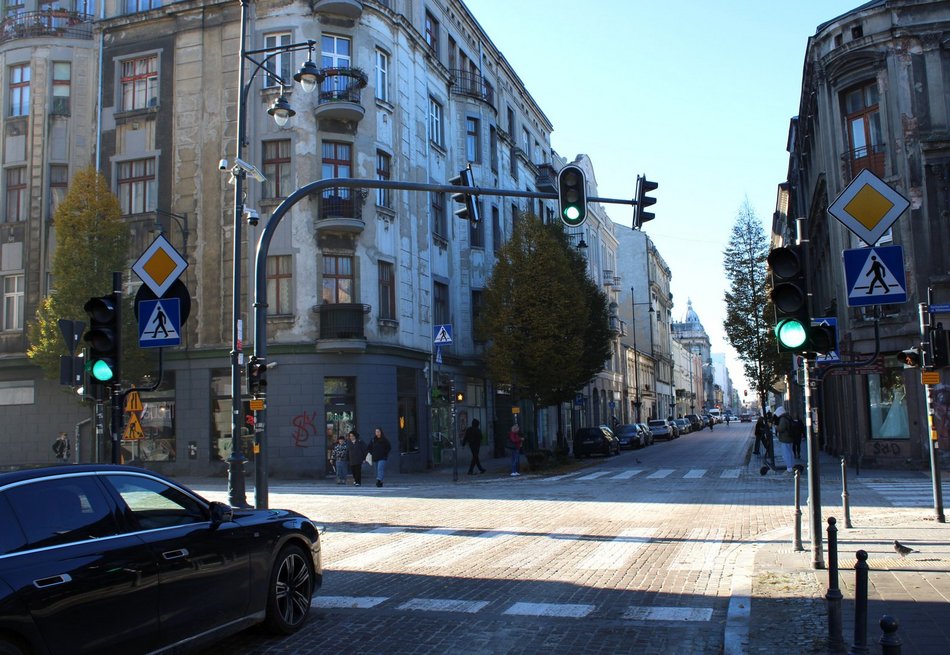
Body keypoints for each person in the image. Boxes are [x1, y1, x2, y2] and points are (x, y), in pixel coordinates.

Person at [775, 406, 794, 472]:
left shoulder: (783, 418)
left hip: (785, 438)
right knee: (790, 453)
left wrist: (776, 427)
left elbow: (781, 428)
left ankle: (789, 468)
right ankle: (791, 466)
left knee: (786, 454)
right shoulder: (788, 417)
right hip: (790, 437)